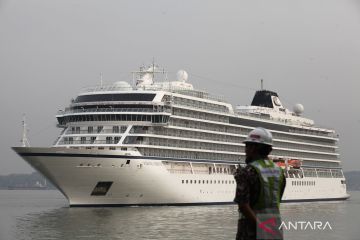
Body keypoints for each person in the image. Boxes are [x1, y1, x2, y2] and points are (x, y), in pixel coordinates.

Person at [234, 127, 286, 240]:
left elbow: (243, 205)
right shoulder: (280, 172)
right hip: (275, 228)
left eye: (247, 146)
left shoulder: (246, 172)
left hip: (251, 232)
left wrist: (261, 226)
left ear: (254, 148)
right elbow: (276, 200)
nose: (245, 150)